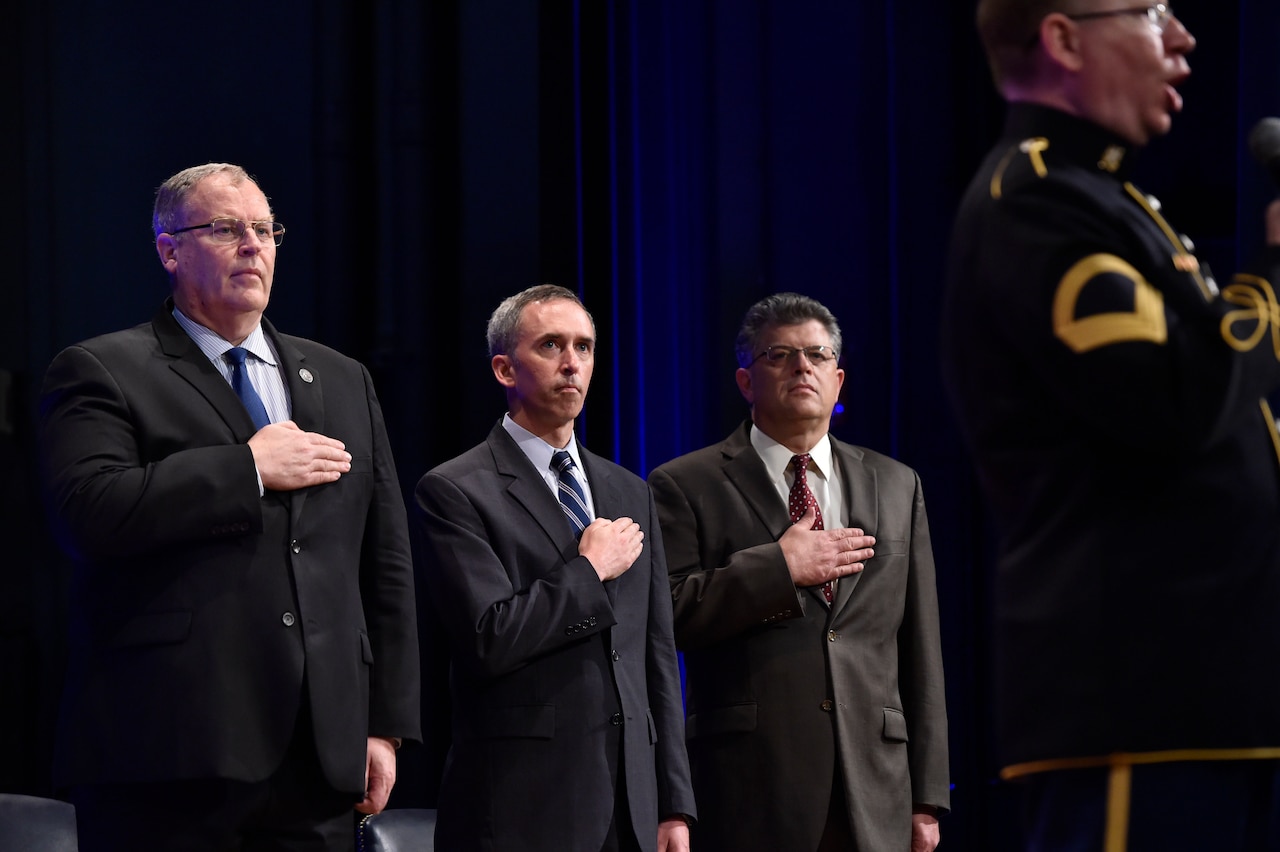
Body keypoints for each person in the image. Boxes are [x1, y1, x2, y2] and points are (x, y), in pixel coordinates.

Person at [943, 2, 1280, 847]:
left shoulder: (1107, 198)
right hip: (1145, 707)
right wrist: (1273, 287)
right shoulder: (1036, 204)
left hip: (1221, 698)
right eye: (1152, 12)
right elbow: (1181, 396)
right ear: (1063, 39)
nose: (1183, 37)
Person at [38, 163, 421, 851]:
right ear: (168, 249)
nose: (253, 245)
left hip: (319, 753)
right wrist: (246, 468)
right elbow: (88, 512)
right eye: (225, 229)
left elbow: (383, 560)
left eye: (265, 229)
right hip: (168, 751)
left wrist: (385, 723)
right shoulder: (103, 369)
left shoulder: (341, 378)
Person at [648, 292, 950, 852]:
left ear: (839, 379)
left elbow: (920, 644)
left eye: (817, 354)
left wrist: (928, 795)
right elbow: (666, 618)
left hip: (876, 785)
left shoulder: (896, 483)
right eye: (780, 355)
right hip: (750, 783)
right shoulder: (684, 484)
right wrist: (777, 569)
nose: (801, 366)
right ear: (745, 381)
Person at [414, 284, 695, 852]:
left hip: (632, 808)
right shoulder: (455, 489)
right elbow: (489, 638)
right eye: (550, 346)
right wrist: (589, 571)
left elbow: (655, 656)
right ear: (504, 368)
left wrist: (673, 805)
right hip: (525, 806)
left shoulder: (629, 490)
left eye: (584, 347)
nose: (572, 363)